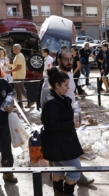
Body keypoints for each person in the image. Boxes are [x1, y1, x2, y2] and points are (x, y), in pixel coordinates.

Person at [41, 67, 83, 196]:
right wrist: (71, 123)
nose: (68, 88)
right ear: (56, 85)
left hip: (63, 141)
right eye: (65, 85)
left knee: (59, 169)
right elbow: (51, 125)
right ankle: (67, 193)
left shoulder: (61, 98)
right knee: (76, 169)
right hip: (58, 143)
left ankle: (58, 193)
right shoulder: (51, 103)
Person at [5, 44, 33, 108]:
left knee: (21, 89)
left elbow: (19, 67)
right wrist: (8, 65)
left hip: (19, 76)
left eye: (14, 48)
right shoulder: (17, 56)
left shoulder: (20, 56)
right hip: (16, 76)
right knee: (18, 91)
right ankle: (20, 104)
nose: (13, 50)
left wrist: (10, 71)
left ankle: (31, 100)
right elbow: (15, 66)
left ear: (17, 49)